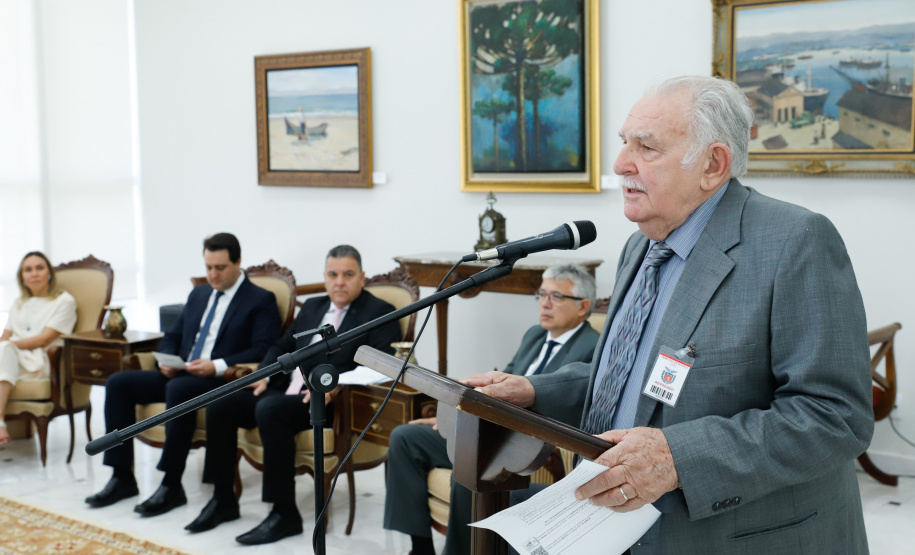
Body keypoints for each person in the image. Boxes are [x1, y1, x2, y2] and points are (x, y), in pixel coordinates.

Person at [466, 76, 873, 553]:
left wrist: (677, 456)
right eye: (624, 143)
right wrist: (537, 390)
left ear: (712, 164)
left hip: (734, 537)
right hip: (616, 525)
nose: (620, 164)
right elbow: (630, 379)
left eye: (647, 147)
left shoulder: (795, 241)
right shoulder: (642, 245)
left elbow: (835, 416)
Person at [185, 245, 402, 546]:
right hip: (281, 389)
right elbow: (280, 345)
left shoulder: (379, 313)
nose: (339, 281)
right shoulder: (313, 307)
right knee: (221, 404)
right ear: (325, 277)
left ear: (362, 277)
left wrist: (337, 384)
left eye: (348, 274)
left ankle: (284, 514)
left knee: (270, 410)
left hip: (324, 401)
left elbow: (382, 366)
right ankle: (223, 500)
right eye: (333, 274)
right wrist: (263, 374)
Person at [384, 264, 601, 555]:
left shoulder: (593, 347)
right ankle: (421, 547)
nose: (545, 303)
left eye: (556, 296)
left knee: (472, 469)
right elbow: (502, 387)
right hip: (486, 434)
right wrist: (452, 419)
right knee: (405, 438)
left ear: (583, 306)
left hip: (522, 445)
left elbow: (569, 408)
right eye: (541, 295)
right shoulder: (534, 335)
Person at [85, 232, 281, 516]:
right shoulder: (199, 294)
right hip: (182, 372)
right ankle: (121, 477)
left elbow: (263, 348)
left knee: (178, 390)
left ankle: (171, 484)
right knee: (118, 383)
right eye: (208, 267)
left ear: (238, 262)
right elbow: (172, 336)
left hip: (218, 380)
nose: (212, 275)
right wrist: (166, 359)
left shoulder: (260, 299)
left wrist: (216, 365)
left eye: (220, 268)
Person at [0, 252, 78, 445]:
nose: (34, 273)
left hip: (38, 361)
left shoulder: (64, 301)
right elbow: (5, 336)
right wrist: (6, 345)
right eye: (28, 269)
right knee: (4, 350)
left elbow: (44, 340)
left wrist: (7, 345)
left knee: (5, 349)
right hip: (10, 360)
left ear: (49, 273)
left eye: (39, 268)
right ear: (22, 278)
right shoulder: (19, 302)